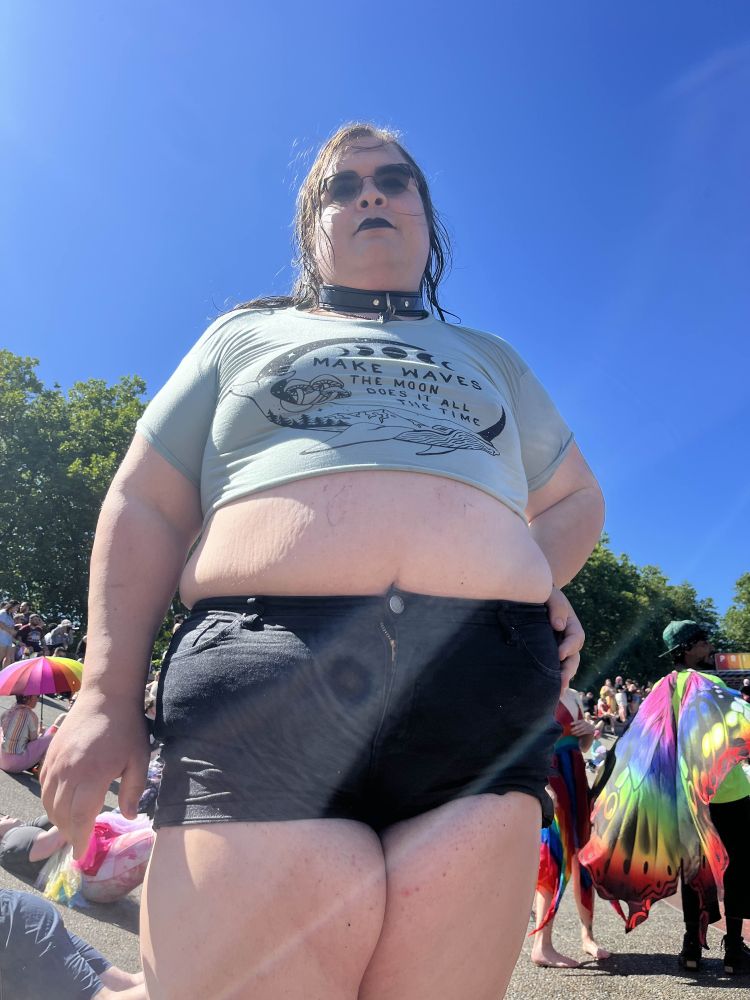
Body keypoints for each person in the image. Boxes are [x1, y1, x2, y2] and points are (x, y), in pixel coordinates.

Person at [40, 121, 604, 1000]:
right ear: (313, 230)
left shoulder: (494, 358)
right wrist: (108, 696)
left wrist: (530, 571)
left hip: (482, 686)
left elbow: (577, 497)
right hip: (267, 676)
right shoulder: (240, 338)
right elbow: (145, 501)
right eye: (342, 188)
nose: (370, 194)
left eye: (394, 180)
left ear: (426, 217)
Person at [580, 620, 750, 977]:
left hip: (682, 798)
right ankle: (734, 949)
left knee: (692, 869)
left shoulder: (660, 688)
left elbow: (641, 743)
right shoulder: (712, 685)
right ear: (687, 649)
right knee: (736, 868)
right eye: (703, 641)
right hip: (728, 792)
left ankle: (691, 946)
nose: (709, 645)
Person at [530, 686, 611, 968]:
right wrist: (542, 786)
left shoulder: (574, 695)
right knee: (552, 858)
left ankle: (587, 936)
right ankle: (542, 944)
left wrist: (589, 729)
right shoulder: (536, 686)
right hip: (552, 779)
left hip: (576, 776)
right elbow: (525, 743)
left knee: (583, 856)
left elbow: (583, 745)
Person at [0, 889, 146, 998]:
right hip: (21, 912)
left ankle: (168, 985)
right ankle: (167, 979)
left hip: (17, 928)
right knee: (125, 984)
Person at [0, 696, 64, 773]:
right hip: (14, 764)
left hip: (1, 759)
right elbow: (33, 740)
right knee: (51, 738)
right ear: (28, 698)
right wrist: (40, 733)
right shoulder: (31, 715)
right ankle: (40, 768)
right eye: (37, 696)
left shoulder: (8, 711)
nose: (38, 699)